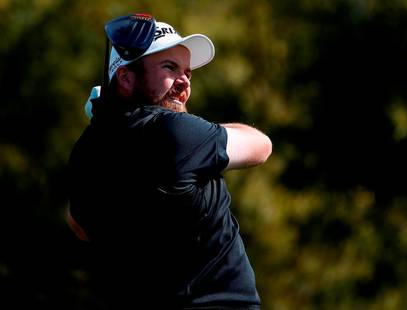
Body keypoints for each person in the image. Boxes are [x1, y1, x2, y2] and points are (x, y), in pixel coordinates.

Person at [65, 15, 272, 309]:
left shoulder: (86, 151)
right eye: (170, 68)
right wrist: (203, 132)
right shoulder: (177, 134)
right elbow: (261, 146)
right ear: (125, 77)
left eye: (187, 72)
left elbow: (78, 224)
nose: (184, 81)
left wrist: (110, 129)